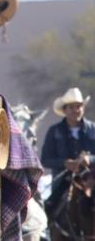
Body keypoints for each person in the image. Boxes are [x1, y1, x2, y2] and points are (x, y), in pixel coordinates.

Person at [41, 87, 95, 217]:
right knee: (50, 207)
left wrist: (90, 159)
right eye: (71, 107)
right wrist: (65, 163)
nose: (75, 110)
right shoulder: (54, 131)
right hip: (63, 181)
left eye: (78, 106)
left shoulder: (93, 129)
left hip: (91, 179)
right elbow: (45, 159)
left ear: (83, 108)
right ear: (64, 110)